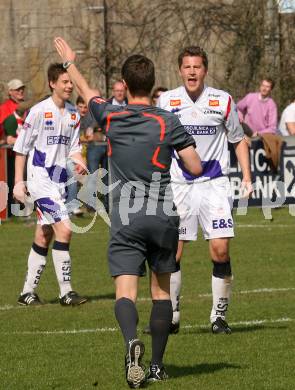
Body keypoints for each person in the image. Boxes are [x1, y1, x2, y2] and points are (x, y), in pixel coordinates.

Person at [54, 37, 202, 387]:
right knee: (162, 291)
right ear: (152, 84)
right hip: (163, 213)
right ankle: (157, 365)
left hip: (126, 215)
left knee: (126, 292)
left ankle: (131, 342)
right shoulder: (168, 120)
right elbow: (194, 167)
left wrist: (70, 63)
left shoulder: (112, 115)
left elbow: (88, 91)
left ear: (125, 84)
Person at [152, 46, 252, 335]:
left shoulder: (223, 100)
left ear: (205, 70)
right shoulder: (166, 100)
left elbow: (238, 139)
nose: (192, 72)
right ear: (180, 70)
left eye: (197, 67)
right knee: (173, 253)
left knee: (220, 250)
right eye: (187, 67)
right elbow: (157, 141)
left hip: (214, 183)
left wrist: (246, 175)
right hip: (179, 184)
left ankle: (218, 316)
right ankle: (172, 314)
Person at [13, 63, 87, 307]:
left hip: (59, 183)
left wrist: (80, 164)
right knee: (65, 230)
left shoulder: (74, 114)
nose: (69, 86)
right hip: (39, 180)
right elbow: (21, 149)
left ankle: (27, 293)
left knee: (44, 235)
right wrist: (18, 183)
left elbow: (75, 149)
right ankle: (66, 292)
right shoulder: (37, 112)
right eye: (64, 82)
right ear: (52, 84)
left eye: (70, 82)